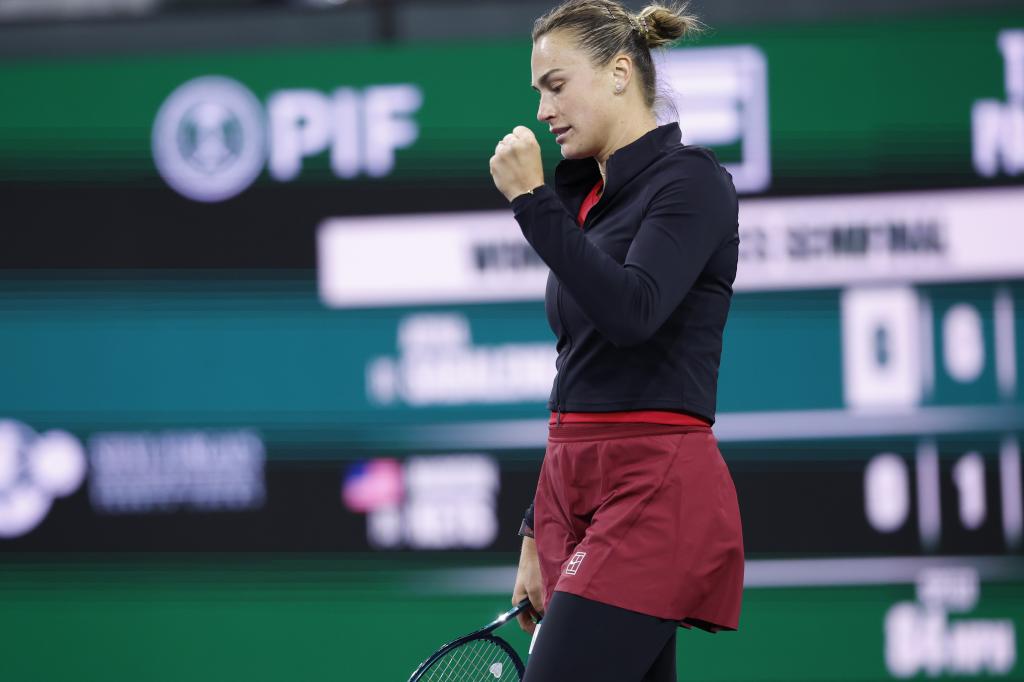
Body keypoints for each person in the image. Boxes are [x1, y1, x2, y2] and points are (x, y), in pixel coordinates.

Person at [488, 1, 744, 680]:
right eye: (538, 91)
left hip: (655, 484)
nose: (543, 109)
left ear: (620, 73)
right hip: (574, 483)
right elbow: (580, 368)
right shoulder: (586, 201)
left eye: (556, 84)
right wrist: (531, 531)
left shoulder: (691, 182)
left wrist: (530, 203)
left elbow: (634, 312)